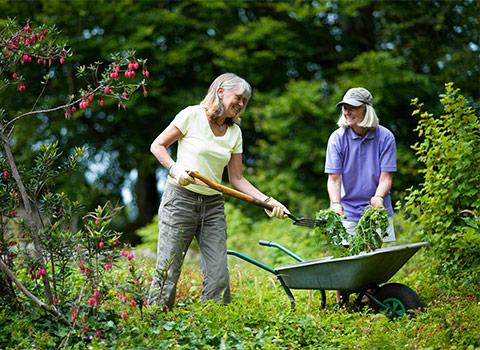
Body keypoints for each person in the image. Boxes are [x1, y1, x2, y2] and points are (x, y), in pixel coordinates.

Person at [148, 73, 289, 309]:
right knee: (168, 269)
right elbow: (158, 145)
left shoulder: (235, 133)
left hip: (213, 207)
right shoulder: (192, 115)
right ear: (221, 91)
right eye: (239, 97)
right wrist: (175, 169)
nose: (241, 104)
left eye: (245, 101)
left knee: (219, 277)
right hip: (180, 201)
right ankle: (154, 323)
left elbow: (237, 179)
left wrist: (268, 202)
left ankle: (214, 331)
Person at [325, 87, 397, 242]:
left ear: (367, 110)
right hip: (347, 212)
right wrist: (336, 204)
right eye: (345, 108)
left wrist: (378, 197)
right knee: (349, 257)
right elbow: (334, 179)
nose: (347, 112)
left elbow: (386, 177)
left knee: (377, 261)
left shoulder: (385, 137)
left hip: (376, 210)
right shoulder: (337, 139)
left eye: (353, 108)